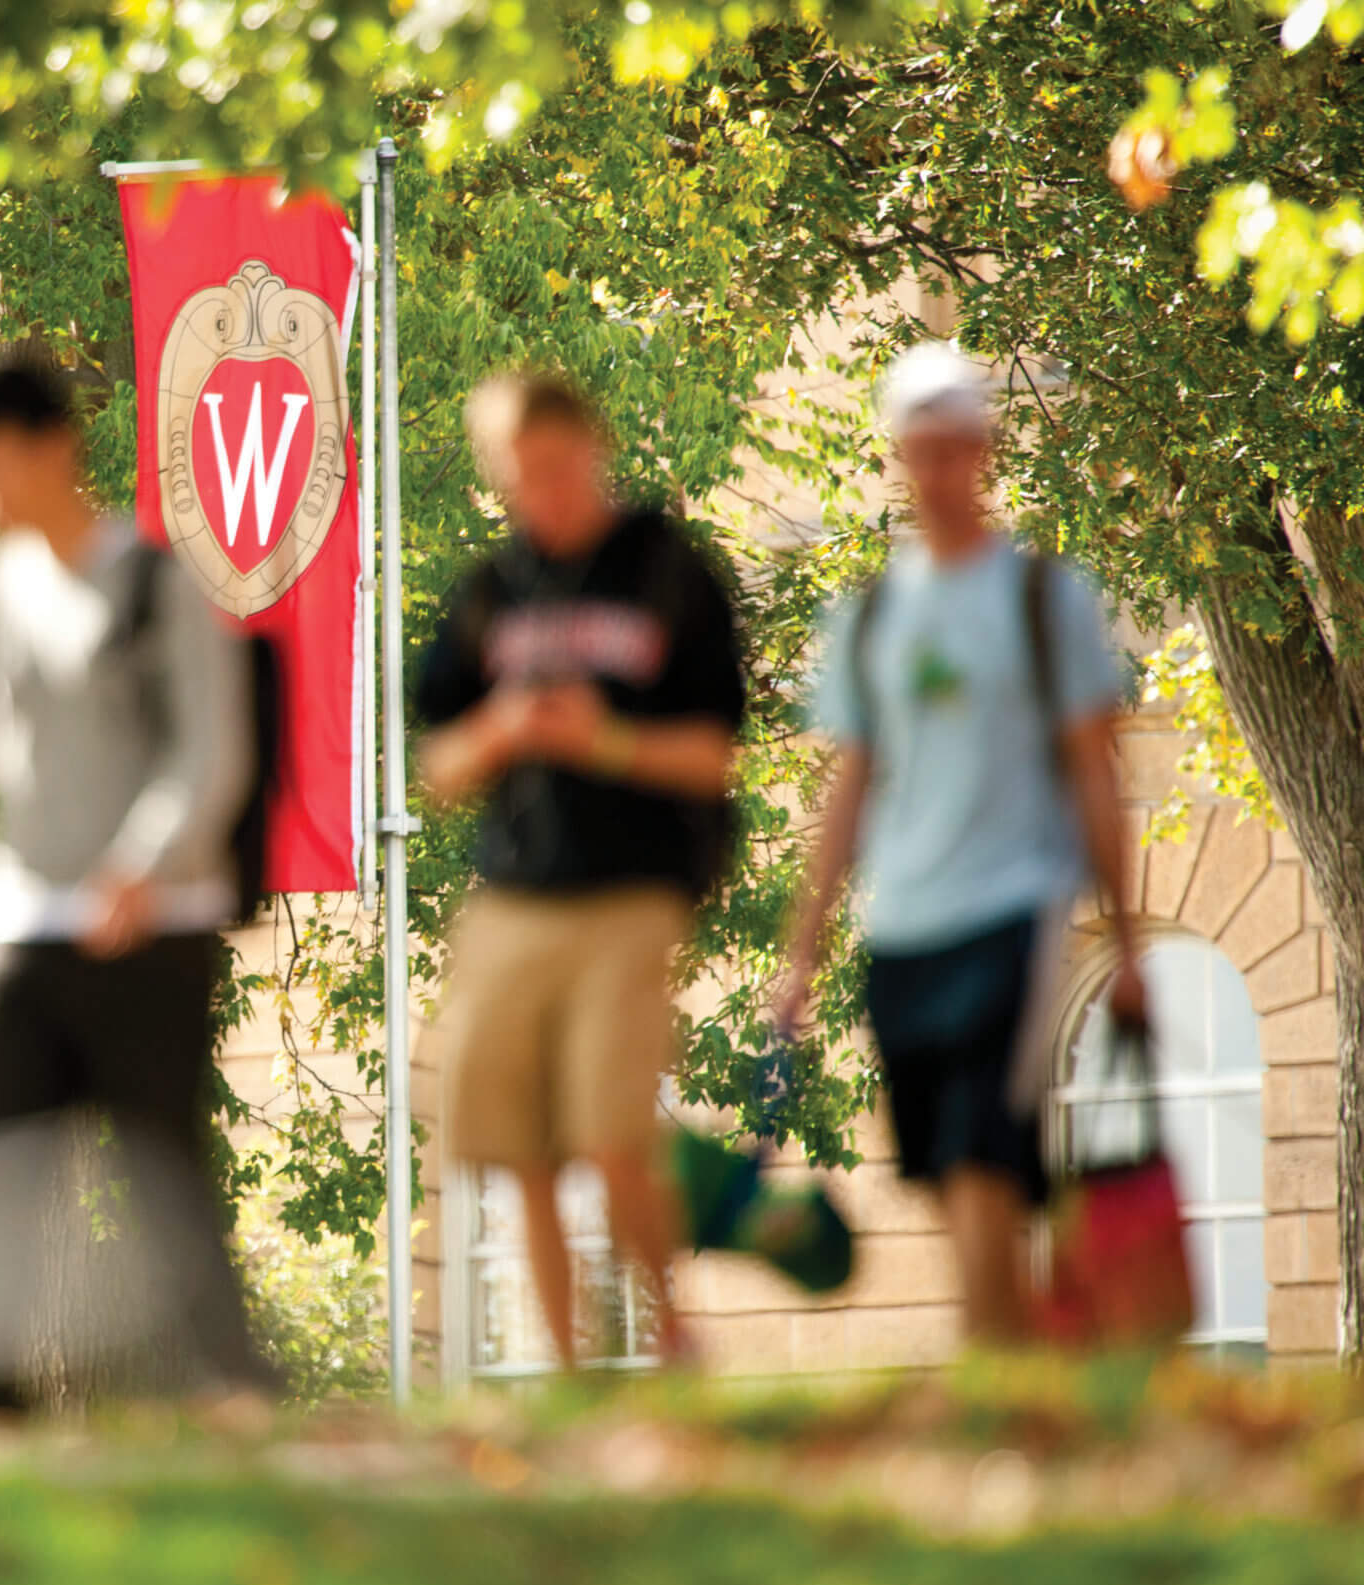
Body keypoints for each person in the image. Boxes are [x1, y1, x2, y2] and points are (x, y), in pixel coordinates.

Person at [0, 351, 278, 1412]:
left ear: (52, 448)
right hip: (23, 924)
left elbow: (211, 752)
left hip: (150, 928)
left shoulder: (152, 575)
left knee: (159, 1170)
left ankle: (232, 1388)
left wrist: (140, 870)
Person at [779, 342, 1142, 1349]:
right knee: (944, 1168)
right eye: (917, 451)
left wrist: (1127, 941)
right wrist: (801, 953)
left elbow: (1094, 772)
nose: (936, 471)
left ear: (983, 452)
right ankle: (1019, 1352)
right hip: (900, 920)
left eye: (954, 449)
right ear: (898, 458)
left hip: (1014, 904)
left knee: (984, 1148)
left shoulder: (1044, 599)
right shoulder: (870, 615)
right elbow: (847, 786)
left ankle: (987, 1374)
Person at [413, 371, 747, 1371]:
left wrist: (603, 741)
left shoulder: (666, 571)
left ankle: (670, 1332)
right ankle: (561, 1368)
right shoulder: (490, 592)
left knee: (608, 1135)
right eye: (518, 477)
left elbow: (713, 753)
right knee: (513, 1147)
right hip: (513, 891)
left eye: (555, 469)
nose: (539, 494)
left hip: (634, 889)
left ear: (592, 450)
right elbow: (436, 768)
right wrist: (504, 727)